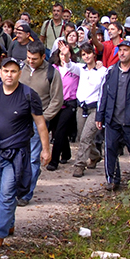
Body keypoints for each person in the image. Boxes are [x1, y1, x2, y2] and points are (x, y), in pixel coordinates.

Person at [0, 57, 50, 247]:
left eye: (13, 71)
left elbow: (40, 124)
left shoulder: (29, 95)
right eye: (6, 71)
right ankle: (8, 222)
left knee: (6, 192)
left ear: (19, 73)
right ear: (0, 72)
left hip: (16, 153)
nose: (9, 75)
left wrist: (46, 149)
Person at [96, 42, 130, 191]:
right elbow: (103, 94)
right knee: (110, 149)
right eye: (120, 50)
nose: (122, 53)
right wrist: (99, 116)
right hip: (112, 119)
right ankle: (113, 179)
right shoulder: (111, 71)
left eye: (125, 50)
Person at [20, 42, 63, 200]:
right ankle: (18, 186)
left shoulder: (52, 72)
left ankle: (25, 195)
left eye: (35, 59)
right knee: (19, 155)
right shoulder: (19, 68)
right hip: (18, 120)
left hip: (38, 121)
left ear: (43, 57)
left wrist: (44, 118)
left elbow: (57, 99)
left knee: (33, 157)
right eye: (29, 57)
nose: (31, 61)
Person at [66, 43, 108, 178]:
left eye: (88, 53)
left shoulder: (103, 71)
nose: (86, 56)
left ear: (94, 54)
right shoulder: (81, 69)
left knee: (86, 137)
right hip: (81, 106)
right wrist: (66, 54)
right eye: (83, 54)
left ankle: (79, 165)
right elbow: (69, 65)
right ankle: (95, 155)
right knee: (81, 136)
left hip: (95, 107)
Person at [46, 40, 80, 170]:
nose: (63, 56)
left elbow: (70, 65)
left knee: (59, 131)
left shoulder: (76, 69)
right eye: (61, 54)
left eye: (66, 53)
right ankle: (66, 153)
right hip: (55, 103)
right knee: (57, 130)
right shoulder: (53, 70)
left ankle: (54, 161)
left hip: (69, 103)